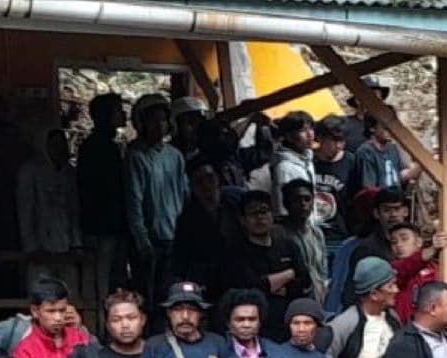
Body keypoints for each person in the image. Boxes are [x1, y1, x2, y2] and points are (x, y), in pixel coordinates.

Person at [125, 93, 187, 312]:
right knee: (146, 296)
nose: (159, 125)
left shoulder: (175, 156)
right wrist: (142, 239)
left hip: (174, 236)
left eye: (163, 119)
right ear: (141, 123)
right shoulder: (136, 155)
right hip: (149, 238)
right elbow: (134, 201)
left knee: (169, 294)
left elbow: (183, 194)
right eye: (153, 120)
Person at [225, 191, 310, 342]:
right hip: (257, 329)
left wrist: (274, 285)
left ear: (272, 215)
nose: (260, 217)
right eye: (253, 213)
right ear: (243, 220)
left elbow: (304, 281)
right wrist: (289, 274)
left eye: (264, 211)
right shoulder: (236, 253)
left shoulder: (289, 246)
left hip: (290, 325)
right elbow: (252, 288)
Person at [326, 256, 401, 358]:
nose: (396, 290)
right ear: (374, 293)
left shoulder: (393, 319)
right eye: (391, 285)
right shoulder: (345, 323)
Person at [77, 93, 130, 302]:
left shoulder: (106, 145)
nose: (123, 114)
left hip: (110, 225)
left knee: (109, 279)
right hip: (102, 226)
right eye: (118, 110)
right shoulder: (98, 147)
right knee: (101, 280)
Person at [171, 157, 234, 302]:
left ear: (218, 179)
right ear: (192, 186)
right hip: (205, 282)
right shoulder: (187, 219)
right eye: (199, 181)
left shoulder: (234, 205)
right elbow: (180, 259)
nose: (206, 185)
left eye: (210, 178)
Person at [16, 128, 82, 257]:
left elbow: (74, 208)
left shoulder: (69, 172)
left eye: (62, 144)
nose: (59, 149)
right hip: (40, 246)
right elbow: (26, 209)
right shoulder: (30, 171)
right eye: (54, 144)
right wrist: (30, 246)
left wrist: (76, 243)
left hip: (66, 245)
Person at [312, 116, 357, 263]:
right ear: (320, 138)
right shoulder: (308, 162)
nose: (338, 146)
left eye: (342, 141)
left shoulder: (351, 162)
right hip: (314, 235)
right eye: (334, 140)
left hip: (341, 235)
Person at [277, 179, 328, 303]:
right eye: (296, 199)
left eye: (307, 199)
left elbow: (322, 271)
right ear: (286, 203)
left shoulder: (316, 233)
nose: (303, 204)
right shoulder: (278, 234)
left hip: (318, 299)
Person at [388, 222, 445, 324]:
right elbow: (408, 265)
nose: (399, 245)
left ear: (419, 242)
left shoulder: (434, 268)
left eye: (404, 239)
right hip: (404, 329)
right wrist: (433, 248)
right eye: (394, 242)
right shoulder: (391, 269)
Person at [269, 111, 316, 219]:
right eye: (303, 130)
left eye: (311, 128)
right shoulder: (284, 167)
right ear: (289, 136)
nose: (310, 134)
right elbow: (281, 206)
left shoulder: (307, 160)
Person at [354, 111, 405, 192]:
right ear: (372, 128)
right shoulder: (366, 152)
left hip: (396, 201)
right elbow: (369, 189)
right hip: (380, 202)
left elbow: (401, 175)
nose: (390, 130)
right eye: (385, 126)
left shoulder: (392, 148)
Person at [341, 75, 391, 152]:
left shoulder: (386, 126)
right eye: (372, 98)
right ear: (357, 100)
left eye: (379, 99)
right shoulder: (344, 124)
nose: (376, 102)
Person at [170, 96, 210, 160]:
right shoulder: (169, 155)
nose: (196, 127)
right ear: (176, 126)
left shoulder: (209, 148)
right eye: (190, 122)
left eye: (199, 122)